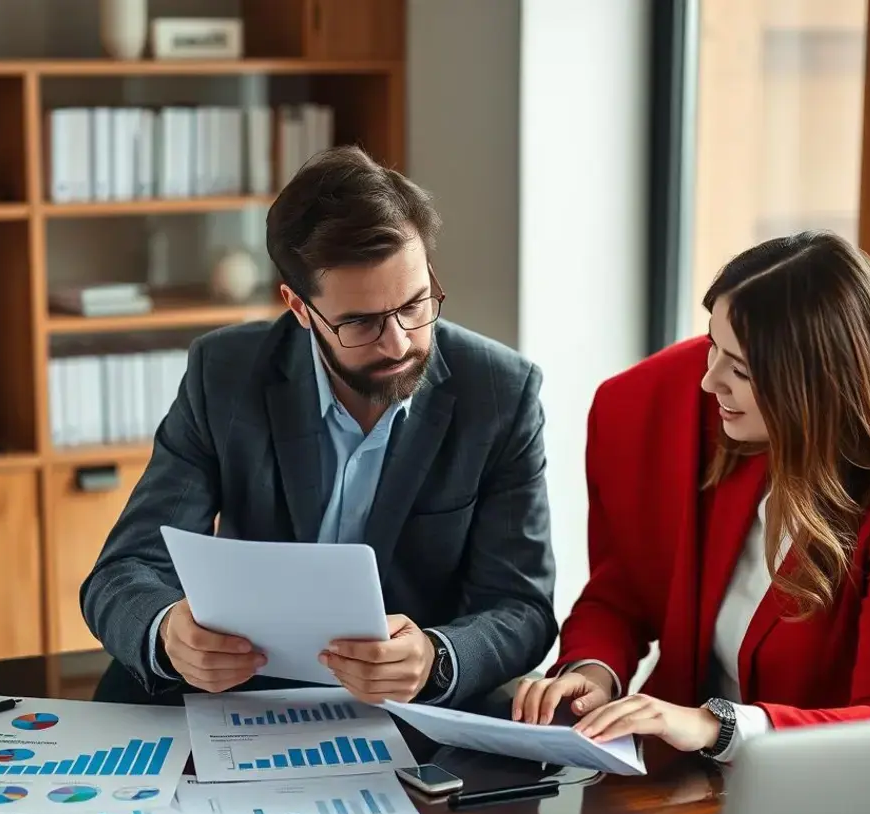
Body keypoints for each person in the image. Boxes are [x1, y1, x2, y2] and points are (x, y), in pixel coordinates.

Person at [82, 146, 556, 706]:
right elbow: (123, 570)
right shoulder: (225, 373)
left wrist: (436, 657)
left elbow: (522, 606)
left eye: (414, 304)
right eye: (359, 322)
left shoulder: (500, 391)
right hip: (244, 695)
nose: (400, 342)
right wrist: (167, 635)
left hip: (414, 710)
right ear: (298, 307)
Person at [513, 231, 870, 766]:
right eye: (712, 345)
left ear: (817, 385)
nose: (708, 381)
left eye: (740, 369)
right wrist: (592, 671)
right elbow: (623, 589)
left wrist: (713, 725)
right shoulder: (673, 412)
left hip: (856, 796)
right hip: (681, 785)